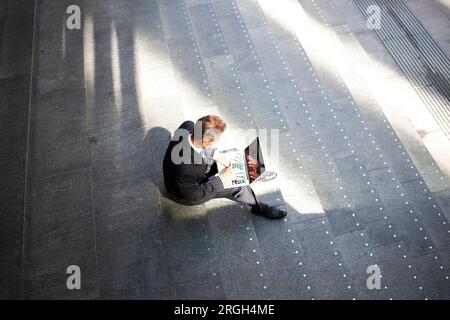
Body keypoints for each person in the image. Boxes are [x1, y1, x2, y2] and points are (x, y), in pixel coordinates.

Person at [163, 115, 287, 219]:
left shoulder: (188, 126)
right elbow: (194, 195)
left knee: (231, 157)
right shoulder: (185, 170)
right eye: (215, 141)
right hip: (187, 192)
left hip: (196, 168)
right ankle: (260, 208)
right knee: (237, 186)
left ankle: (251, 172)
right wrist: (221, 179)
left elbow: (199, 149)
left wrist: (215, 154)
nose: (217, 142)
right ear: (204, 142)